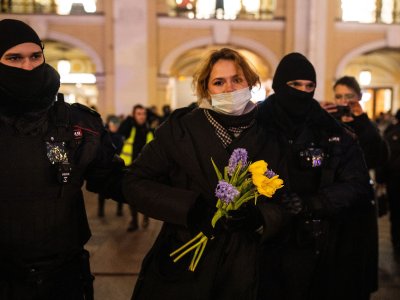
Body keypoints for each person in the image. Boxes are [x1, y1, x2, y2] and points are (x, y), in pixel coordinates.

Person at [123, 47, 287, 299]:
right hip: (186, 259)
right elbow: (134, 182)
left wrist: (261, 217)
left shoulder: (271, 134)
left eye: (237, 79)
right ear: (206, 89)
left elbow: (286, 198)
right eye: (218, 82)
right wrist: (189, 208)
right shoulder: (179, 131)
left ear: (251, 83)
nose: (229, 88)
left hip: (245, 266)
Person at [0, 19, 125, 299]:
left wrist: (181, 193)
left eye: (35, 56)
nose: (28, 66)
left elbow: (113, 178)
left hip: (63, 280)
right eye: (14, 58)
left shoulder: (77, 122)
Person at [257, 53, 375, 299]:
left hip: (317, 244)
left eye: (309, 86)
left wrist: (312, 203)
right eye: (295, 85)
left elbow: (356, 183)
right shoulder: (254, 125)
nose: (303, 92)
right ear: (279, 86)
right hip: (263, 241)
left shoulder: (330, 129)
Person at [321, 75, 389, 170]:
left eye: (349, 96)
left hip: (358, 177)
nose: (344, 101)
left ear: (359, 96)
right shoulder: (330, 121)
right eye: (338, 96)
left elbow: (379, 155)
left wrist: (362, 118)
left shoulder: (365, 123)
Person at [118, 104, 154, 231]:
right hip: (130, 167)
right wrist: (128, 119)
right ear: (134, 115)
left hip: (145, 169)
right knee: (131, 196)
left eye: (143, 114)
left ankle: (145, 215)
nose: (142, 116)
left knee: (144, 196)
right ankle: (134, 221)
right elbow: (119, 131)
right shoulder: (130, 127)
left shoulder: (149, 130)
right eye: (138, 114)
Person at [377, 109, 400, 253]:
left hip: (394, 181)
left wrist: (380, 179)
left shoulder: (391, 133)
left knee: (396, 213)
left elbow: (384, 159)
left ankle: (397, 242)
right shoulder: (391, 134)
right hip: (395, 180)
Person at [97, 115, 124, 218]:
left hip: (117, 167)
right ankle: (100, 211)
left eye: (116, 124)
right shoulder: (104, 135)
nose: (115, 126)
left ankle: (119, 210)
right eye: (113, 124)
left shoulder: (119, 136)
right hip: (106, 166)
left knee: (119, 189)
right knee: (102, 190)